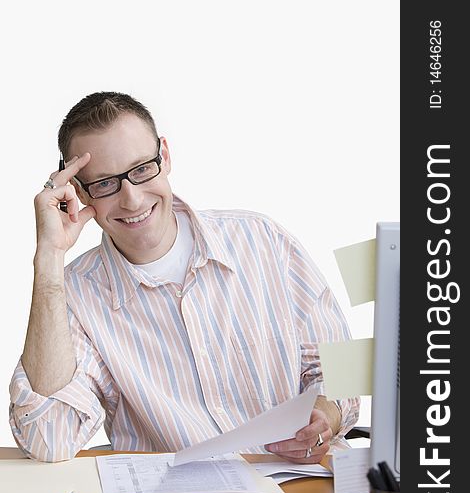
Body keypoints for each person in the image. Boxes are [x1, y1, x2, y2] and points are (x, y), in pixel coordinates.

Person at [9, 92, 360, 463]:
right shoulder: (77, 295)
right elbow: (48, 439)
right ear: (78, 191)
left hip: (301, 489)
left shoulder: (262, 240)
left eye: (142, 169)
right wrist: (49, 259)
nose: (131, 199)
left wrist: (327, 415)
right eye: (106, 184)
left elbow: (342, 372)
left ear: (165, 156)